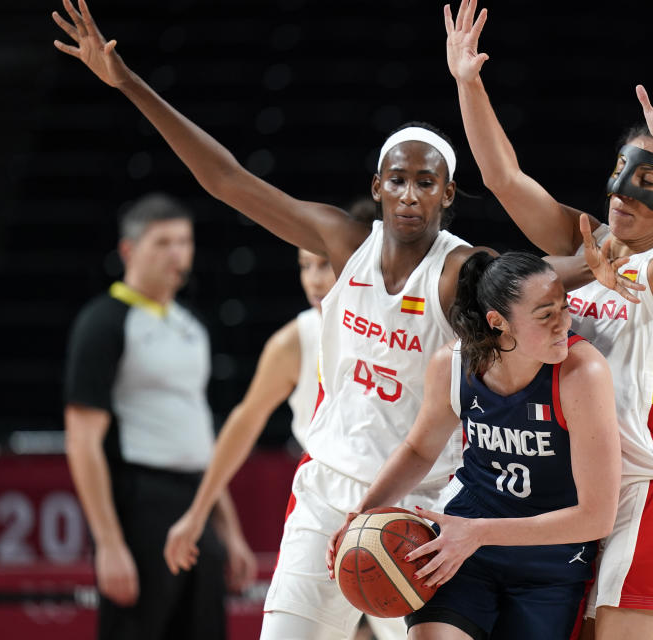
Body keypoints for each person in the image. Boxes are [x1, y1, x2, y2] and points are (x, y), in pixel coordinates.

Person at [51, 3, 497, 637]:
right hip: (327, 490)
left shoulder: (461, 270)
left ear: (447, 194)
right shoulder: (347, 249)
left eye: (425, 182)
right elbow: (228, 180)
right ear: (377, 185)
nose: (408, 193)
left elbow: (541, 277)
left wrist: (610, 261)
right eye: (397, 179)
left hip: (424, 500)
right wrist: (128, 82)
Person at [444, 3, 653, 638]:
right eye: (622, 169)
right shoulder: (586, 243)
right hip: (571, 494)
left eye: (647, 177)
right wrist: (468, 81)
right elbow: (504, 178)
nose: (624, 189)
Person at [327, 251, 621, 639]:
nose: (563, 323)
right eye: (545, 314)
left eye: (563, 308)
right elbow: (419, 449)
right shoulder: (454, 364)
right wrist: (361, 514)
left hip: (550, 559)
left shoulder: (582, 373)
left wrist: (480, 532)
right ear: (498, 322)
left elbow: (596, 517)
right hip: (461, 549)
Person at [162, 200, 398, 640]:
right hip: (327, 501)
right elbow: (244, 423)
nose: (313, 278)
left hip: (401, 501)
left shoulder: (413, 323)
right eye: (305, 265)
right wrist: (197, 514)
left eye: (324, 264)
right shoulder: (296, 339)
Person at [63, 192, 256, 640]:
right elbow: (82, 441)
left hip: (196, 502)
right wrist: (109, 545)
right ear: (128, 250)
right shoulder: (103, 323)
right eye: (163, 242)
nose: (178, 254)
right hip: (139, 501)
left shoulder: (192, 326)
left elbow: (199, 434)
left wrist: (230, 530)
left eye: (184, 242)